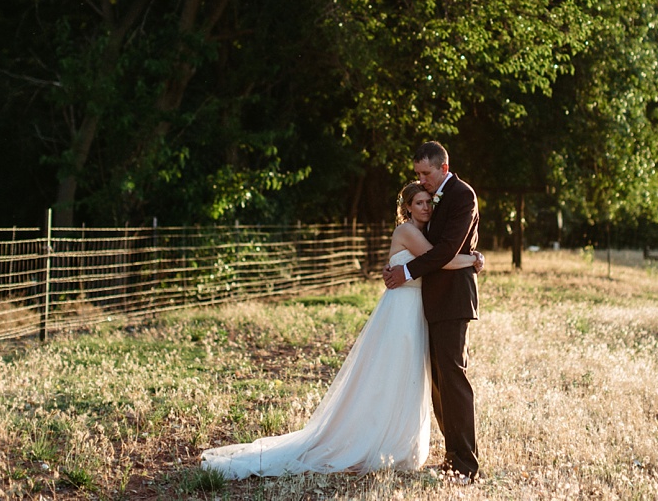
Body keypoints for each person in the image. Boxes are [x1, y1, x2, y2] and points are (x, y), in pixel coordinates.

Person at [200, 182, 483, 480]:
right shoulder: (408, 232)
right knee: (391, 376)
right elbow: (439, 260)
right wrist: (474, 259)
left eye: (429, 203)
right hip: (401, 312)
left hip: (417, 312)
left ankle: (399, 442)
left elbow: (434, 261)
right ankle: (377, 441)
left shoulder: (426, 233)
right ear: (408, 207)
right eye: (420, 203)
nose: (426, 208)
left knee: (409, 379)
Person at [382, 141, 481, 482]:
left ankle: (466, 465)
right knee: (439, 383)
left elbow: (445, 251)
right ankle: (453, 457)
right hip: (430, 303)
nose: (421, 180)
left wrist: (405, 272)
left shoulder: (462, 196)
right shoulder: (433, 200)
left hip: (453, 301)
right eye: (418, 175)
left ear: (442, 168)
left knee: (453, 380)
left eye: (425, 173)